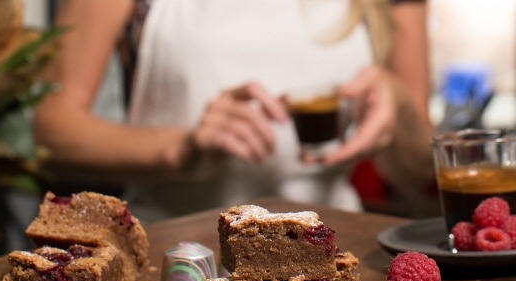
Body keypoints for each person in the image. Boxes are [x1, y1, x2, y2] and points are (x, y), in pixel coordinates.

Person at [33, 0, 435, 223]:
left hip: (334, 249)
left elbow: (420, 168)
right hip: (176, 256)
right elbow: (49, 130)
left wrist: (399, 104)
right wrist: (182, 146)